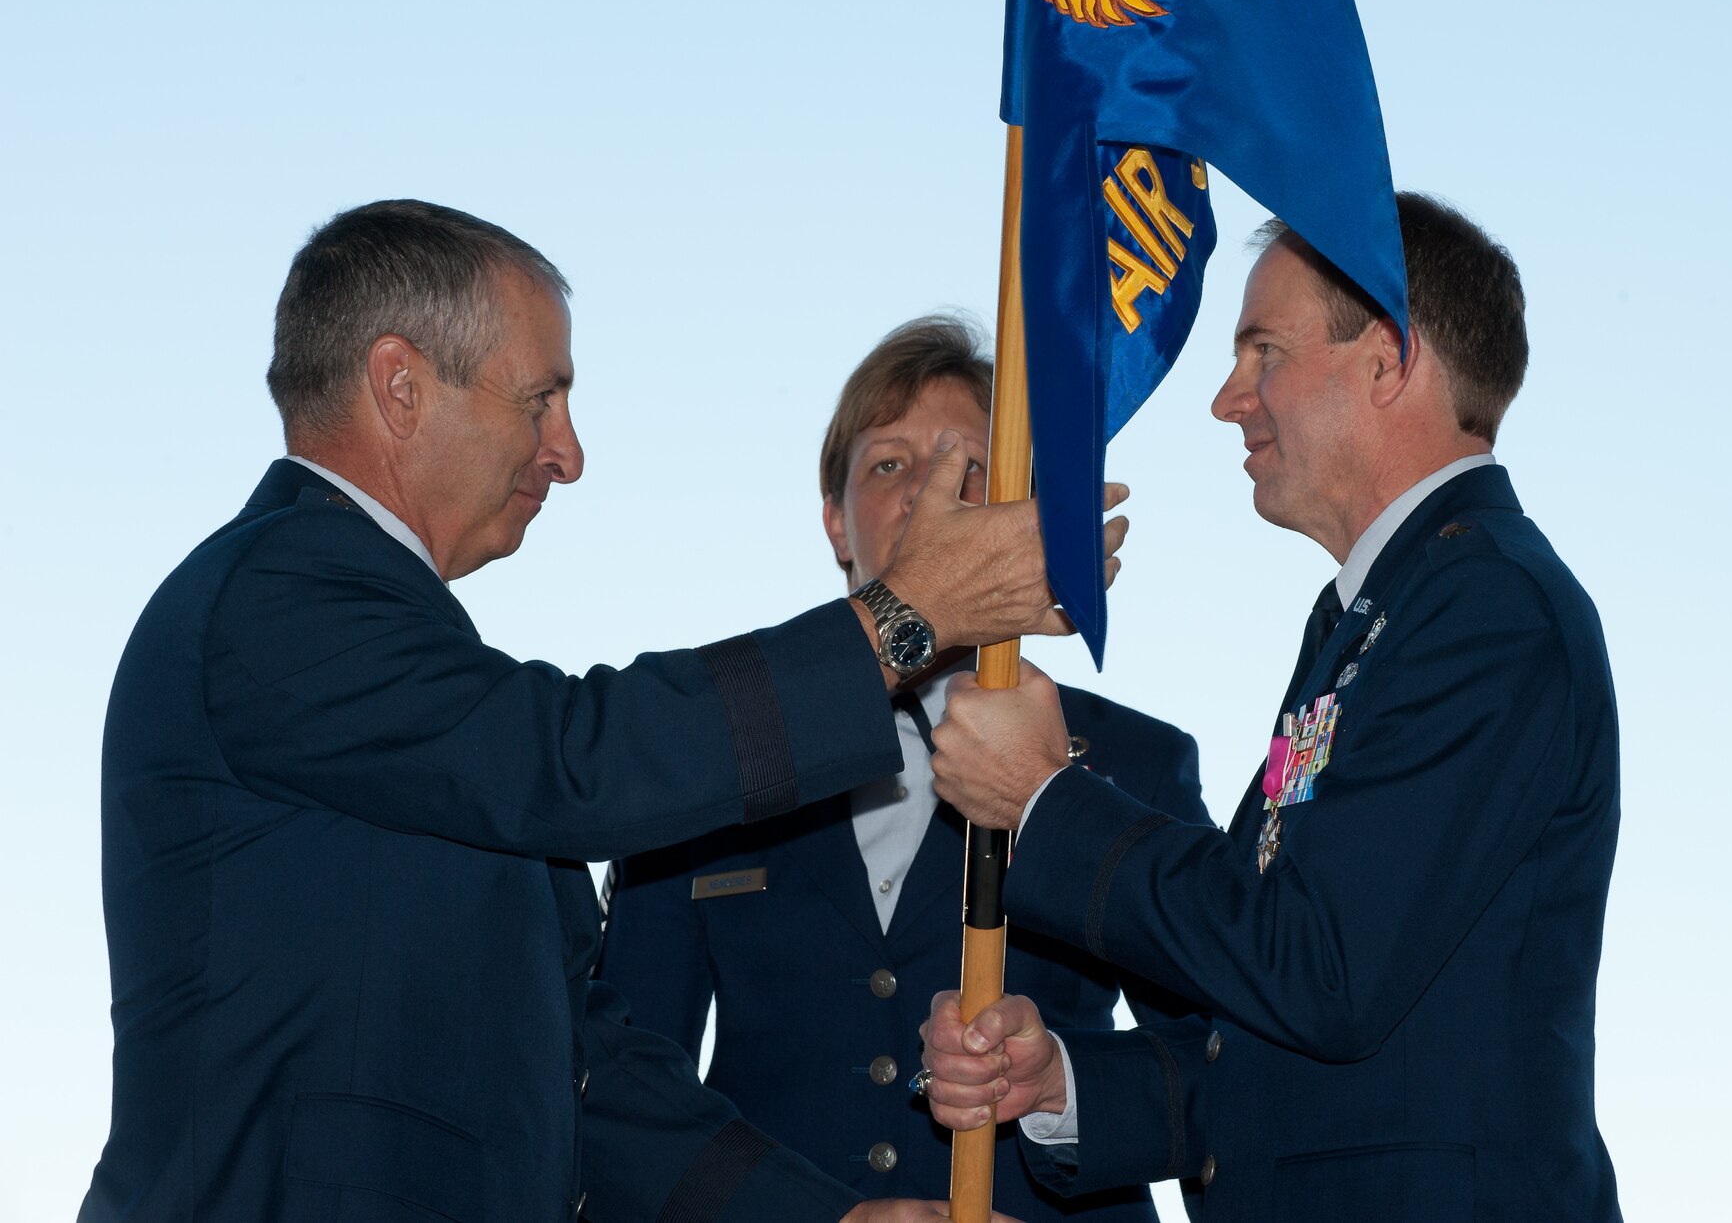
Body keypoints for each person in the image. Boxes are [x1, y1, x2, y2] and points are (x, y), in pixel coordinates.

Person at [81, 200, 1113, 1222]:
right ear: (400, 385)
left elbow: (579, 1063)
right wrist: (901, 615)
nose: (567, 452)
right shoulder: (277, 595)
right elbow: (580, 758)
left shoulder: (398, 657)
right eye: (539, 399)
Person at [918, 195, 1624, 1221]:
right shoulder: (1377, 613)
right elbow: (1274, 1023)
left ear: (1386, 355)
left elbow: (1320, 969)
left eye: (1261, 350)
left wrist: (1044, 797)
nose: (1226, 397)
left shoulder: (1485, 608)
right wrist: (1062, 1084)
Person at [595, 316, 1209, 1220]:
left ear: (1015, 509)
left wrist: (1066, 1090)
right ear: (835, 522)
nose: (929, 494)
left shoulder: (1135, 762)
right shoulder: (713, 751)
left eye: (970, 468)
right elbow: (622, 1088)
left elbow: (1219, 1068)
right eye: (889, 464)